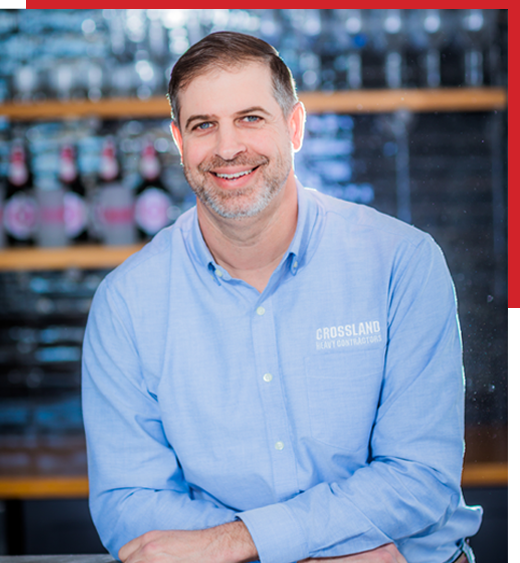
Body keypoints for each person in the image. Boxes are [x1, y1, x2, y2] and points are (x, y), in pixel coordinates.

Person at [82, 31, 483, 563]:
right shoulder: (126, 304)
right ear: (179, 141)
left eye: (250, 118)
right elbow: (128, 503)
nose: (227, 148)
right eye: (204, 125)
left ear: (294, 126)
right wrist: (312, 552)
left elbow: (418, 478)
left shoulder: (402, 263)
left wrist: (240, 543)